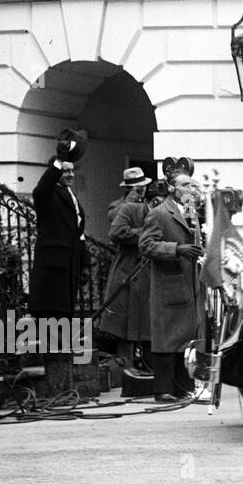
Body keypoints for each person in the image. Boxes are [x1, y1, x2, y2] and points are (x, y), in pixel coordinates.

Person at [139, 171, 205, 403]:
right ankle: (163, 389)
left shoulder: (190, 213)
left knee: (185, 338)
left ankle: (182, 386)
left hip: (188, 282)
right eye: (185, 185)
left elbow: (196, 242)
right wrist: (176, 249)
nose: (190, 189)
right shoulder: (159, 213)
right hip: (169, 283)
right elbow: (146, 245)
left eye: (191, 185)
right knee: (166, 338)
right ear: (171, 188)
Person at [28, 129, 89, 330]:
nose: (71, 175)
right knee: (51, 325)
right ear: (56, 173)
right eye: (66, 171)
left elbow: (77, 231)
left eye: (72, 171)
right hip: (51, 274)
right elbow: (42, 187)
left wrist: (83, 262)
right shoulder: (47, 195)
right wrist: (59, 160)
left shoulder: (70, 195)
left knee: (63, 323)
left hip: (69, 270)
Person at [102, 167, 153, 374]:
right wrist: (144, 233)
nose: (143, 190)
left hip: (146, 268)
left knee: (147, 321)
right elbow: (117, 228)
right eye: (139, 187)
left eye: (144, 186)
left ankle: (147, 366)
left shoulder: (149, 205)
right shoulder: (118, 206)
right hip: (128, 267)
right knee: (125, 322)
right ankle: (126, 369)